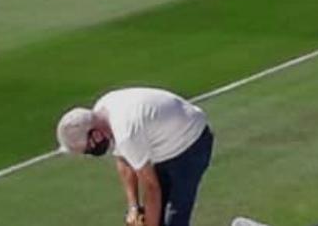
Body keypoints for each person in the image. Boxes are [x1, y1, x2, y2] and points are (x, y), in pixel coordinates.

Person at [56, 87, 214, 226]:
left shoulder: (126, 134)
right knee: (153, 217)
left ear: (96, 136)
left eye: (86, 150)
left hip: (191, 144)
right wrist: (134, 207)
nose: (88, 154)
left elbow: (151, 188)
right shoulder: (102, 112)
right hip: (164, 146)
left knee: (174, 219)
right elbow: (124, 160)